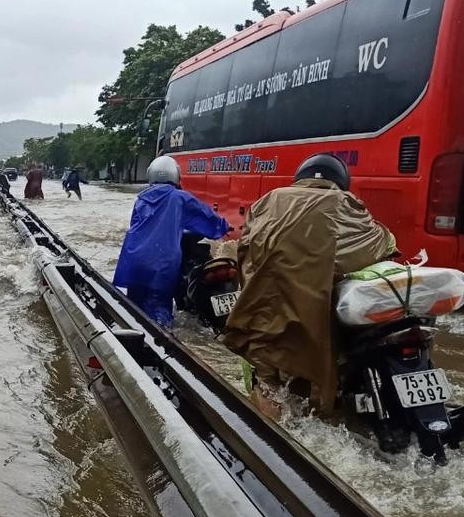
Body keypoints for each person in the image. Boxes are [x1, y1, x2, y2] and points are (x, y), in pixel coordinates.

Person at [222, 153, 396, 420]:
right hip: (318, 320)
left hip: (268, 313)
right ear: (340, 180)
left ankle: (270, 446)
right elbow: (372, 245)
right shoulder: (346, 203)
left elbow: (246, 251)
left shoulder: (270, 199)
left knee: (268, 382)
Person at [113, 155, 229, 327]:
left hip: (134, 261)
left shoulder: (141, 199)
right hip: (162, 264)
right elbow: (208, 220)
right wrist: (224, 226)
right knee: (159, 312)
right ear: (175, 175)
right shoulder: (180, 198)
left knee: (135, 309)